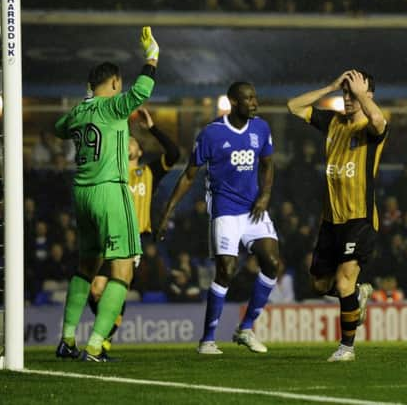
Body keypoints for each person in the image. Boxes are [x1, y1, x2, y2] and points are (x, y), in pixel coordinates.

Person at [53, 27, 160, 362]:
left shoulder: (77, 112)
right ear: (114, 83)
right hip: (110, 193)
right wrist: (152, 56)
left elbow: (59, 129)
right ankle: (96, 345)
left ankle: (66, 339)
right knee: (122, 271)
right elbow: (143, 89)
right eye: (120, 84)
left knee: (86, 267)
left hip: (81, 195)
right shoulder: (113, 107)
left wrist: (85, 101)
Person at [156, 81, 280, 355]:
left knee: (272, 262)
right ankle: (208, 339)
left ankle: (245, 328)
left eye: (255, 97)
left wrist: (265, 196)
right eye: (248, 99)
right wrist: (167, 213)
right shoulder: (211, 133)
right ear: (234, 102)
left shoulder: (261, 128)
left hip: (254, 209)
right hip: (224, 211)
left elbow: (268, 164)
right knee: (227, 269)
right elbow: (189, 175)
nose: (255, 103)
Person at [287, 69, 386, 362]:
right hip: (331, 219)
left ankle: (347, 347)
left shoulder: (371, 127)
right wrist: (329, 86)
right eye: (345, 93)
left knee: (343, 283)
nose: (348, 98)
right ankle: (358, 294)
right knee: (318, 284)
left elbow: (379, 121)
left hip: (360, 218)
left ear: (368, 96)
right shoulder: (333, 123)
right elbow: (294, 106)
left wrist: (360, 95)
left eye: (354, 93)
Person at [87, 106, 179, 357]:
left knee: (117, 287)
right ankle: (105, 334)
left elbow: (174, 153)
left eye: (133, 141)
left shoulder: (148, 172)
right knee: (95, 290)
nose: (129, 143)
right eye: (124, 141)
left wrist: (152, 129)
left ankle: (101, 342)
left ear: (139, 150)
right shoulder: (111, 171)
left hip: (132, 240)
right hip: (107, 238)